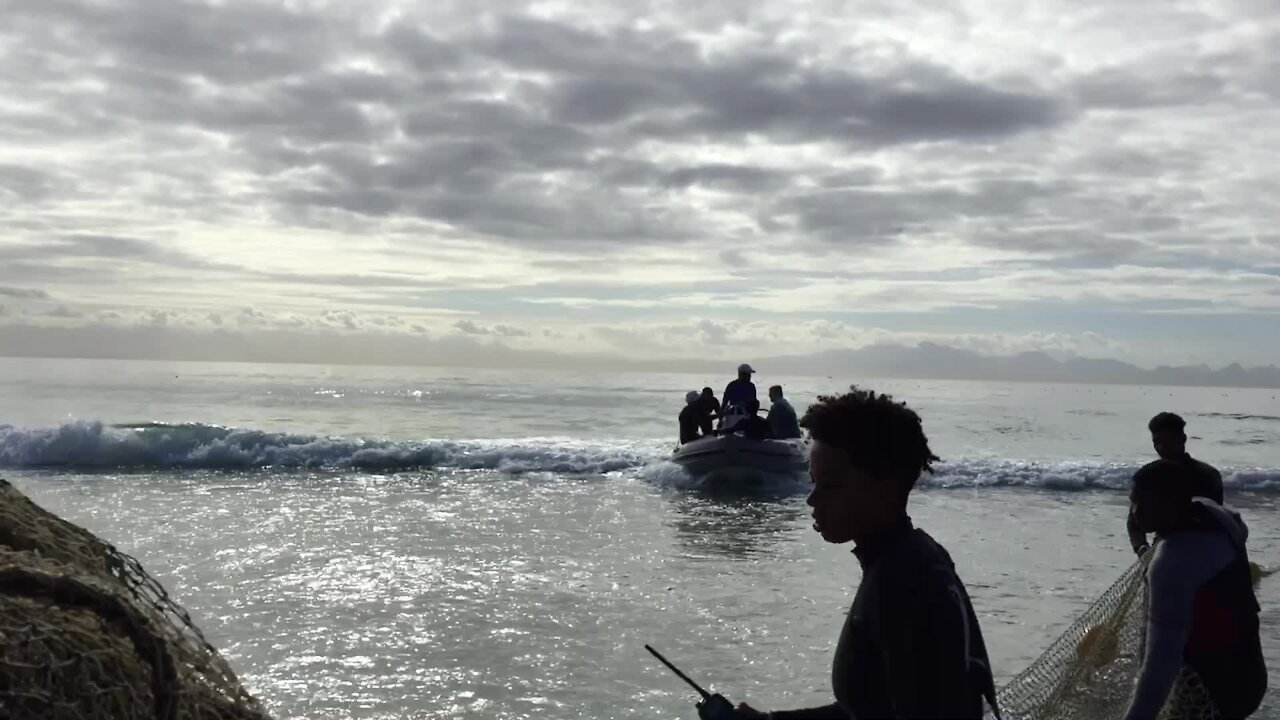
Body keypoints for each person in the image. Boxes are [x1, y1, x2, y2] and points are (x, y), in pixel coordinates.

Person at [736, 387, 1000, 720]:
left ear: (884, 484)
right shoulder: (914, 557)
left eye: (831, 485)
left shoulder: (901, 584)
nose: (812, 500)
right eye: (813, 481)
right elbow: (867, 709)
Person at [1122, 459, 1266, 720]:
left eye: (1144, 503)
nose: (1135, 512)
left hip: (1211, 690)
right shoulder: (1214, 514)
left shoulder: (1171, 565)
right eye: (1132, 501)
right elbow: (1240, 525)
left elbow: (1160, 666)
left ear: (1173, 500)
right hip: (1251, 672)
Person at [1128, 412, 1224, 556]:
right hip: (1161, 549)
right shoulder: (1151, 475)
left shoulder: (1206, 476)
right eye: (1156, 443)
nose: (1161, 448)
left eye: (1167, 442)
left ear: (1183, 439)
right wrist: (1142, 548)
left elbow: (1213, 522)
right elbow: (1134, 521)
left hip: (1200, 550)